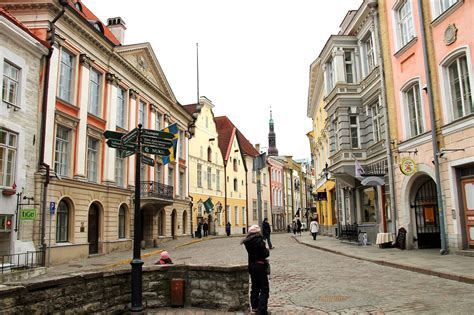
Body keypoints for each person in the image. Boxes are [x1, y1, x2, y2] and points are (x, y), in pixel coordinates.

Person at [241, 225, 270, 315]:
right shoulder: (259, 241)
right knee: (264, 288)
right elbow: (264, 253)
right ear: (257, 232)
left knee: (255, 287)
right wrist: (267, 250)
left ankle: (255, 307)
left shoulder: (248, 242)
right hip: (260, 265)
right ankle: (262, 310)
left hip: (252, 266)